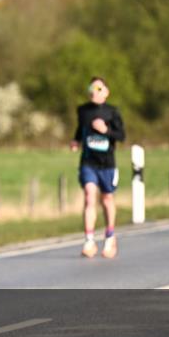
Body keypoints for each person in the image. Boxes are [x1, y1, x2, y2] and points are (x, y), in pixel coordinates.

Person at [70, 77, 126, 258]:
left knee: (107, 199)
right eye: (91, 88)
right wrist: (76, 141)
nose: (94, 91)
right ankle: (89, 240)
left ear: (106, 92)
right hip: (88, 162)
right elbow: (81, 129)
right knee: (89, 195)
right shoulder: (83, 111)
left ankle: (110, 237)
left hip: (107, 164)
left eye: (99, 88)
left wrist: (106, 131)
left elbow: (121, 136)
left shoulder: (112, 112)